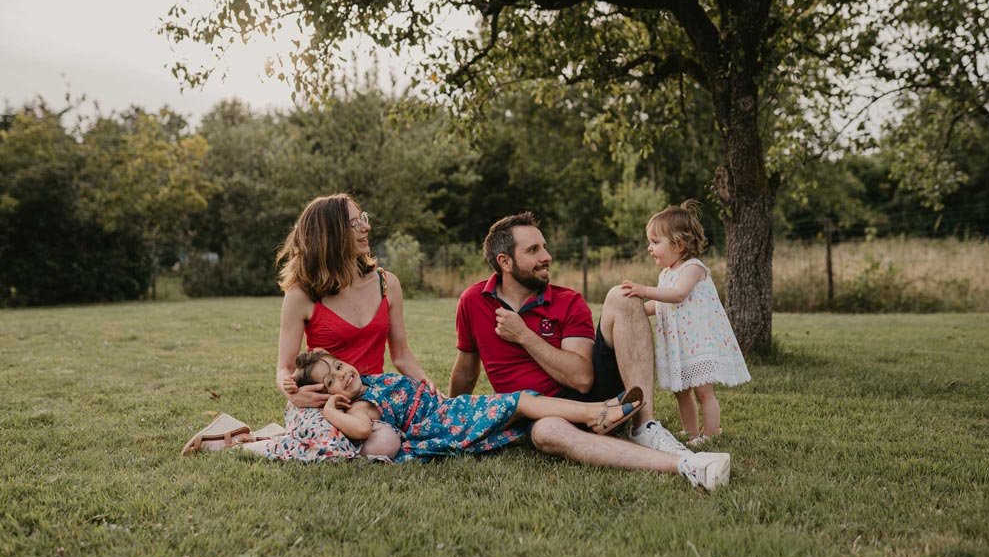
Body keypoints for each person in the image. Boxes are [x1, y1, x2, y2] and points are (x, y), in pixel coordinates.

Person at [447, 212, 731, 489]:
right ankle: (681, 463)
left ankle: (644, 426)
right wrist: (450, 417)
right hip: (543, 415)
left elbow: (582, 378)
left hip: (600, 395)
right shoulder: (473, 301)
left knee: (622, 296)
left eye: (544, 247)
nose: (546, 256)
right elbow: (466, 369)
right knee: (546, 433)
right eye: (533, 250)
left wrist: (524, 336)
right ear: (505, 261)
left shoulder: (567, 301)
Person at [183, 193, 433, 461]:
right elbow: (284, 368)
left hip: (366, 400)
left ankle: (276, 437)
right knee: (336, 448)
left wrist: (429, 388)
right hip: (320, 401)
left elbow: (401, 354)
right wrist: (294, 394)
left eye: (363, 219)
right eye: (353, 224)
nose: (366, 227)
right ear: (330, 235)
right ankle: (234, 443)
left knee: (384, 443)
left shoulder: (387, 284)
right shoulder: (301, 294)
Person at [284, 350, 644, 461]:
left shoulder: (371, 380)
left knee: (522, 406)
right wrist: (332, 409)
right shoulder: (360, 406)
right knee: (519, 401)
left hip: (450, 409)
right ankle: (599, 411)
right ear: (328, 393)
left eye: (338, 365)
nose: (342, 374)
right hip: (444, 424)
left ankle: (597, 415)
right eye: (330, 380)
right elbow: (362, 431)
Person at [621, 200, 751, 446]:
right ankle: (690, 432)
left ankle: (711, 434)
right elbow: (661, 305)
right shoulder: (666, 274)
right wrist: (634, 309)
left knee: (704, 392)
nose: (650, 248)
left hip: (698, 343)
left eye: (655, 242)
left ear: (679, 243)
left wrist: (644, 290)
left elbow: (678, 295)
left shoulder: (693, 268)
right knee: (681, 392)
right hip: (679, 346)